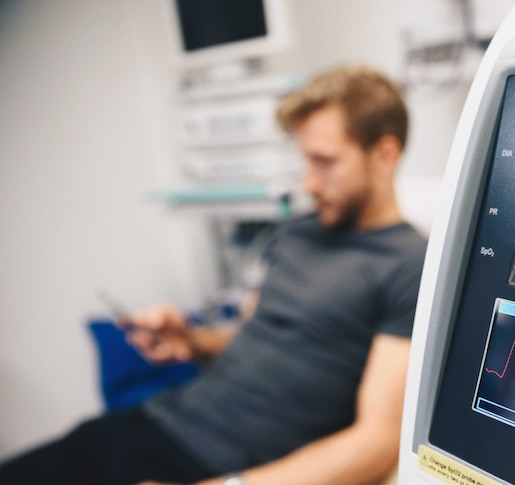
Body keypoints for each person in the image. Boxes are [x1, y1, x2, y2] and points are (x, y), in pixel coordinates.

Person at [0, 65, 427, 485]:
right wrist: (191, 338)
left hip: (212, 468)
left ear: (385, 154)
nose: (308, 182)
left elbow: (378, 441)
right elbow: (249, 336)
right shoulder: (298, 233)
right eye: (304, 161)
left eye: (325, 162)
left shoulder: (409, 265)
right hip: (154, 422)